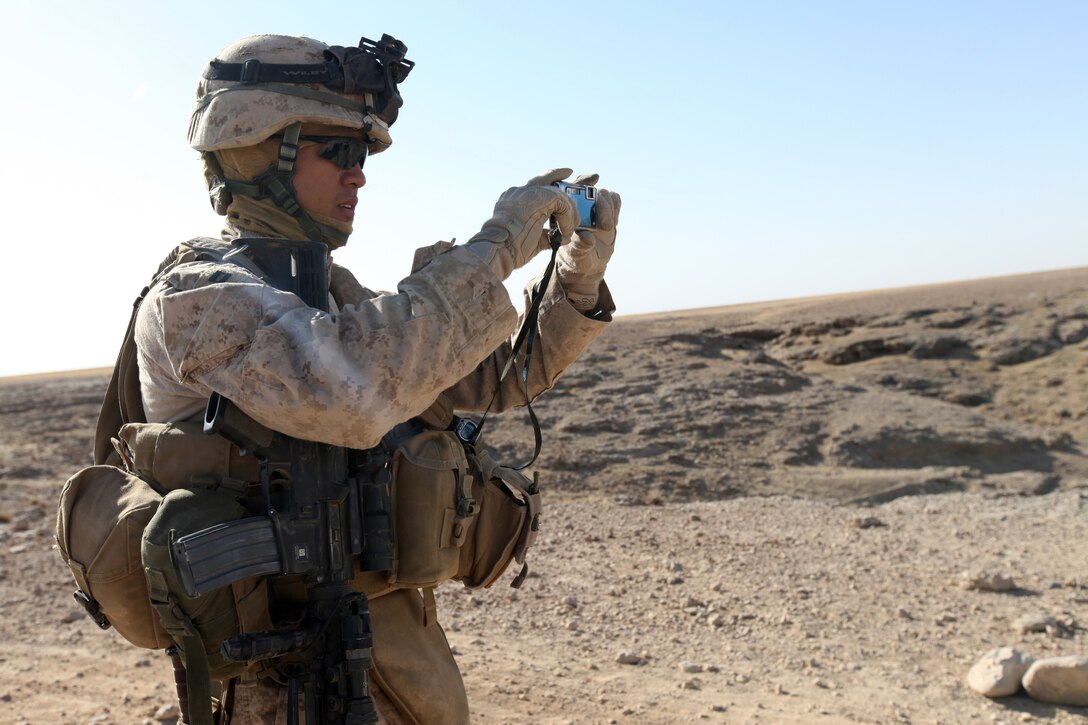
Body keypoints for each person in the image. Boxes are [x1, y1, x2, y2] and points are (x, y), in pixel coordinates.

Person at [129, 33, 620, 723]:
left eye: (361, 156)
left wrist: (576, 277)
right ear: (256, 149)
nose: (358, 175)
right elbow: (351, 389)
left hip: (389, 669)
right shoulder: (195, 300)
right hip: (276, 690)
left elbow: (493, 380)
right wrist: (495, 246)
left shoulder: (331, 295)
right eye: (339, 152)